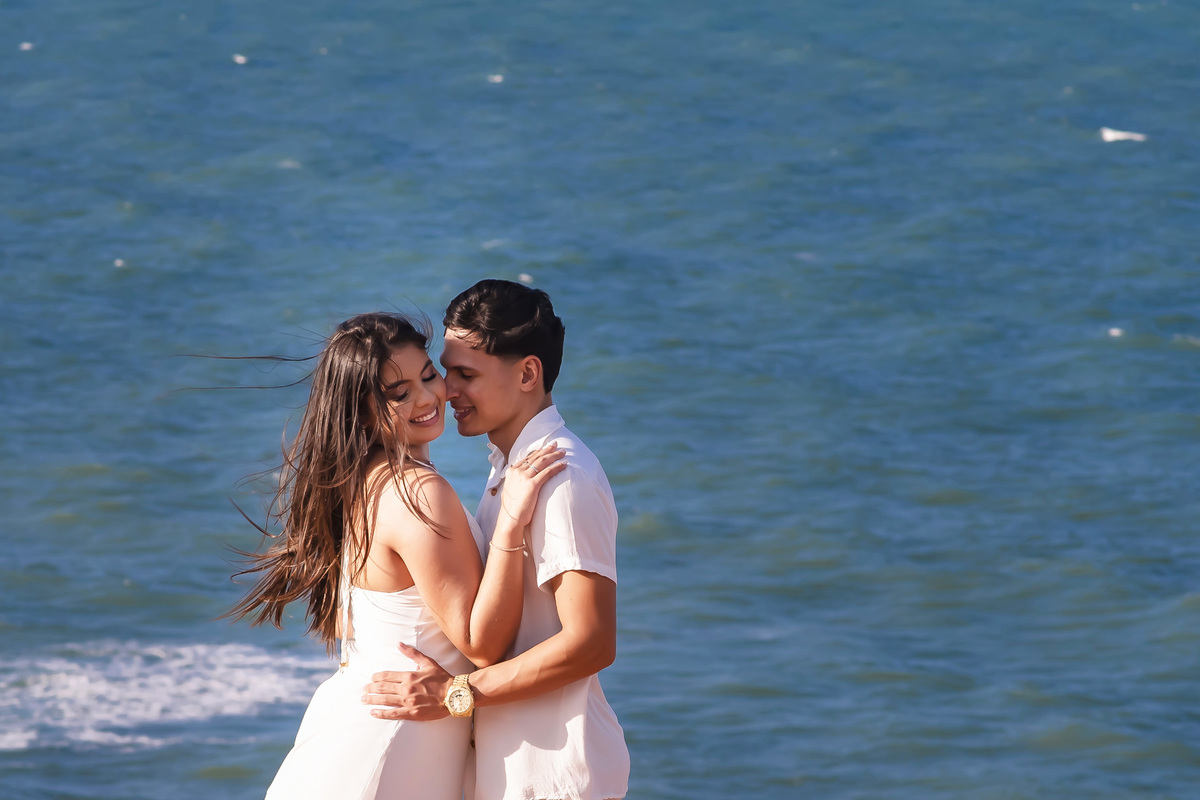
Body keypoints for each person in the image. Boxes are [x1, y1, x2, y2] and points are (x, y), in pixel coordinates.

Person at [226, 312, 566, 800]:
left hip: (360, 724)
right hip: (395, 741)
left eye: (428, 376)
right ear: (361, 412)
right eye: (398, 393)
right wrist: (511, 523)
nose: (427, 398)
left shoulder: (361, 481)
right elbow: (483, 646)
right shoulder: (418, 492)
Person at [362, 280, 630, 800]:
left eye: (466, 375)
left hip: (552, 771)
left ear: (528, 374)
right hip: (513, 765)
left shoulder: (562, 478)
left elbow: (592, 641)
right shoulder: (510, 470)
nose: (447, 391)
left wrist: (456, 693)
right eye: (447, 371)